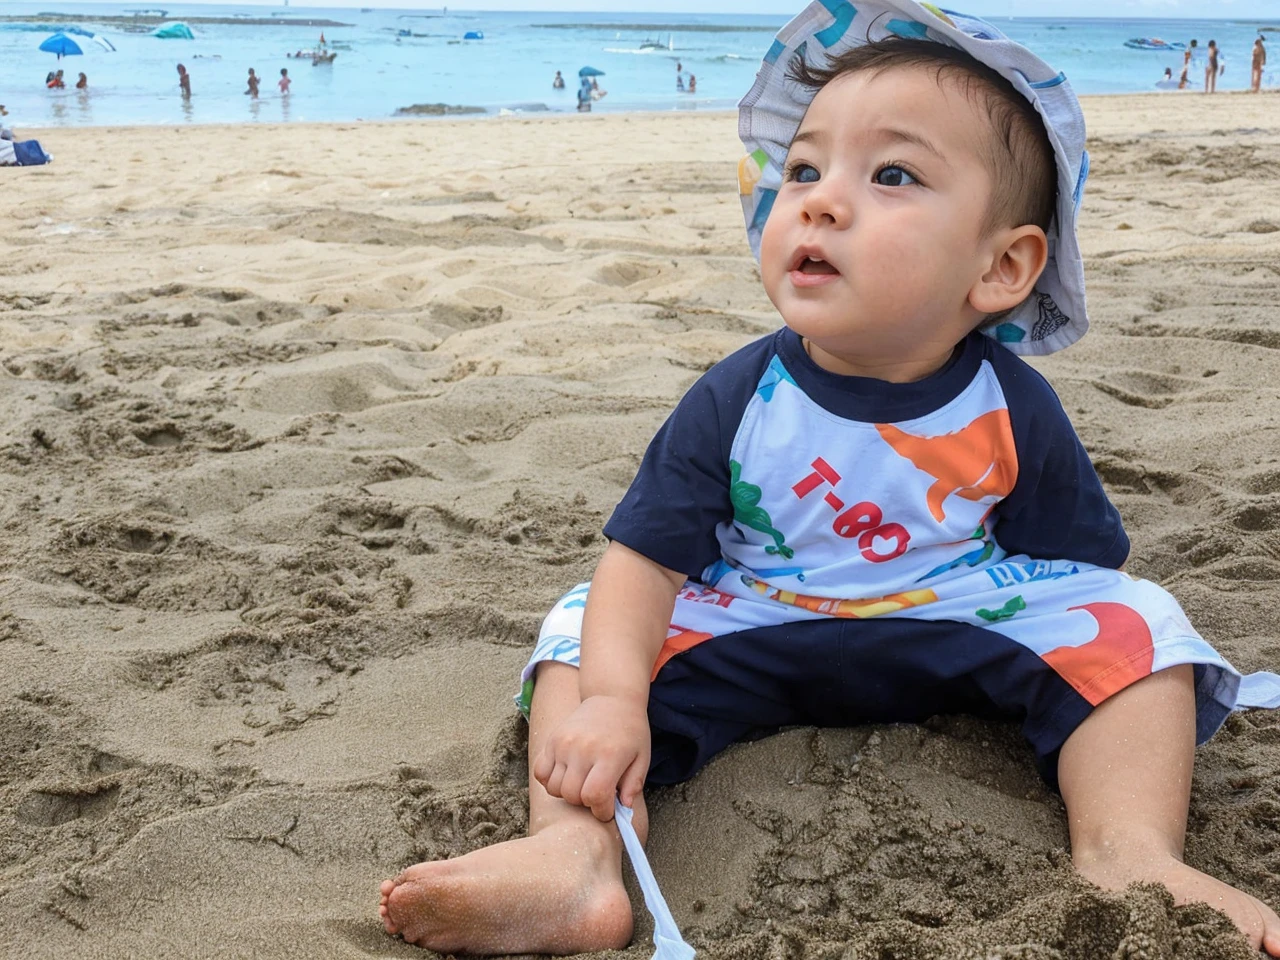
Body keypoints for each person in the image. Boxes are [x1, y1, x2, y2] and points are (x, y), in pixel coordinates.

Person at [377, 4, 1280, 957]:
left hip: (953, 615)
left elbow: (1078, 563)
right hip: (759, 615)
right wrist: (610, 699)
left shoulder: (1008, 403)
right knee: (579, 634)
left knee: (1139, 626)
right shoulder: (739, 395)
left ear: (1003, 264)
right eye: (803, 169)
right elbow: (644, 560)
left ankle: (1130, 852)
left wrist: (1095, 651)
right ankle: (573, 858)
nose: (817, 200)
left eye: (892, 174)